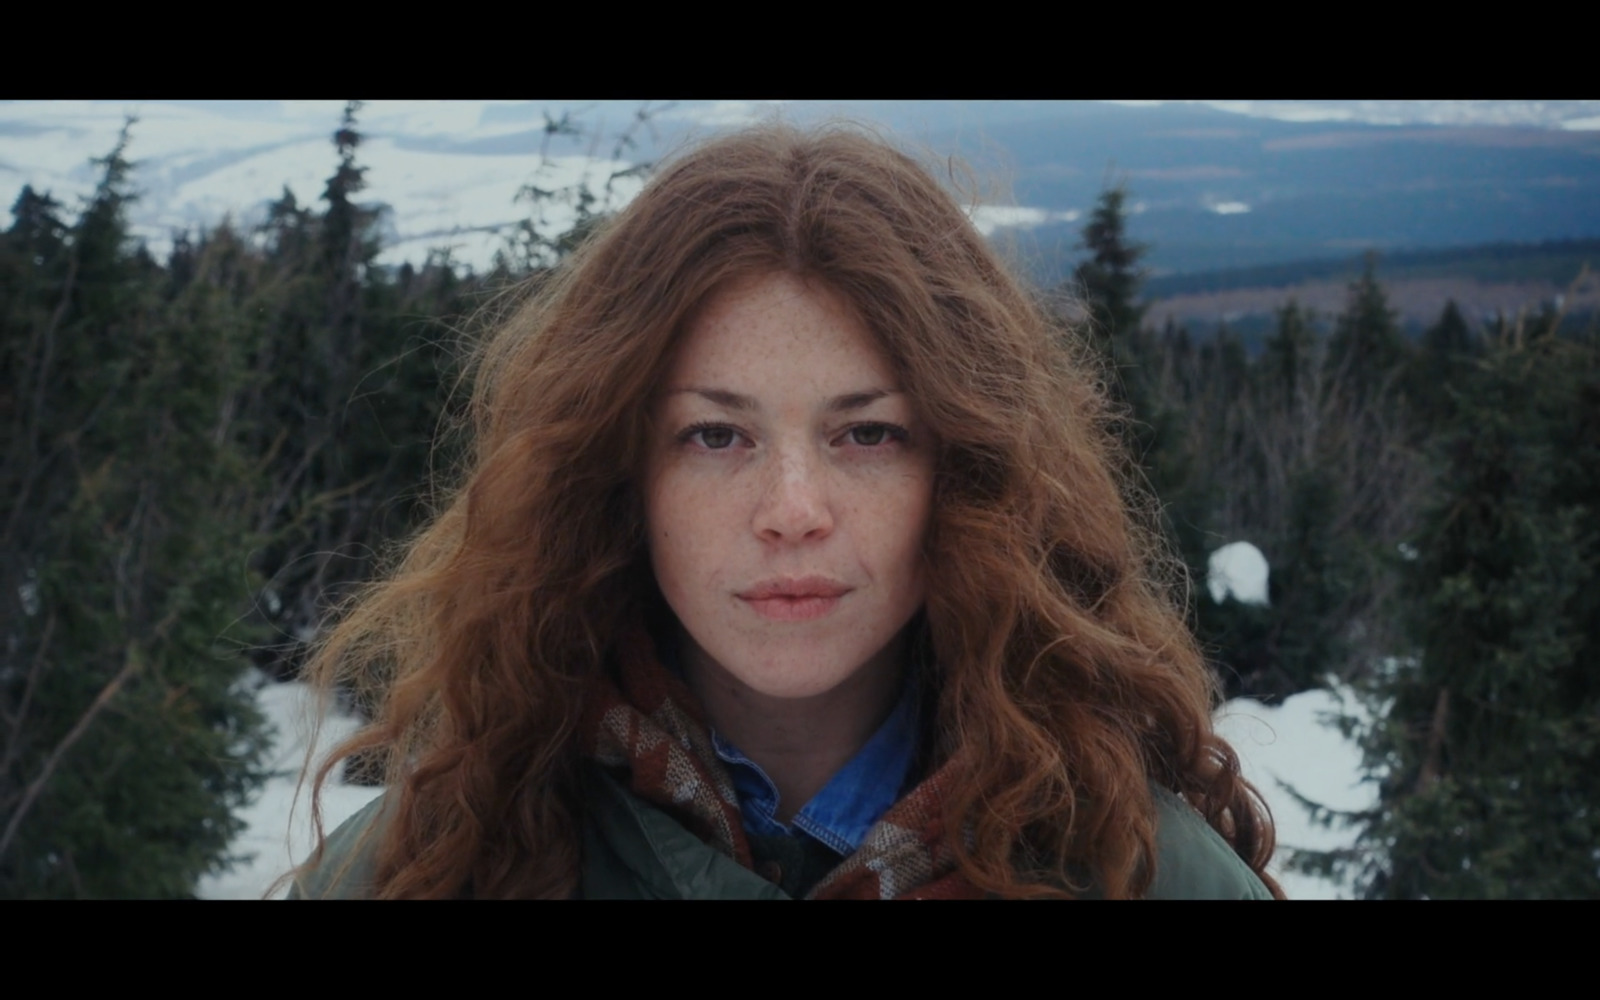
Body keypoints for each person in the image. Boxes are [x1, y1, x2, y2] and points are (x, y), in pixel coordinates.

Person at [289, 123, 1281, 899]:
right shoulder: (437, 865)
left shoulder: (1138, 873)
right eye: (715, 437)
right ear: (615, 476)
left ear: (967, 474)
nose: (792, 510)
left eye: (867, 435)